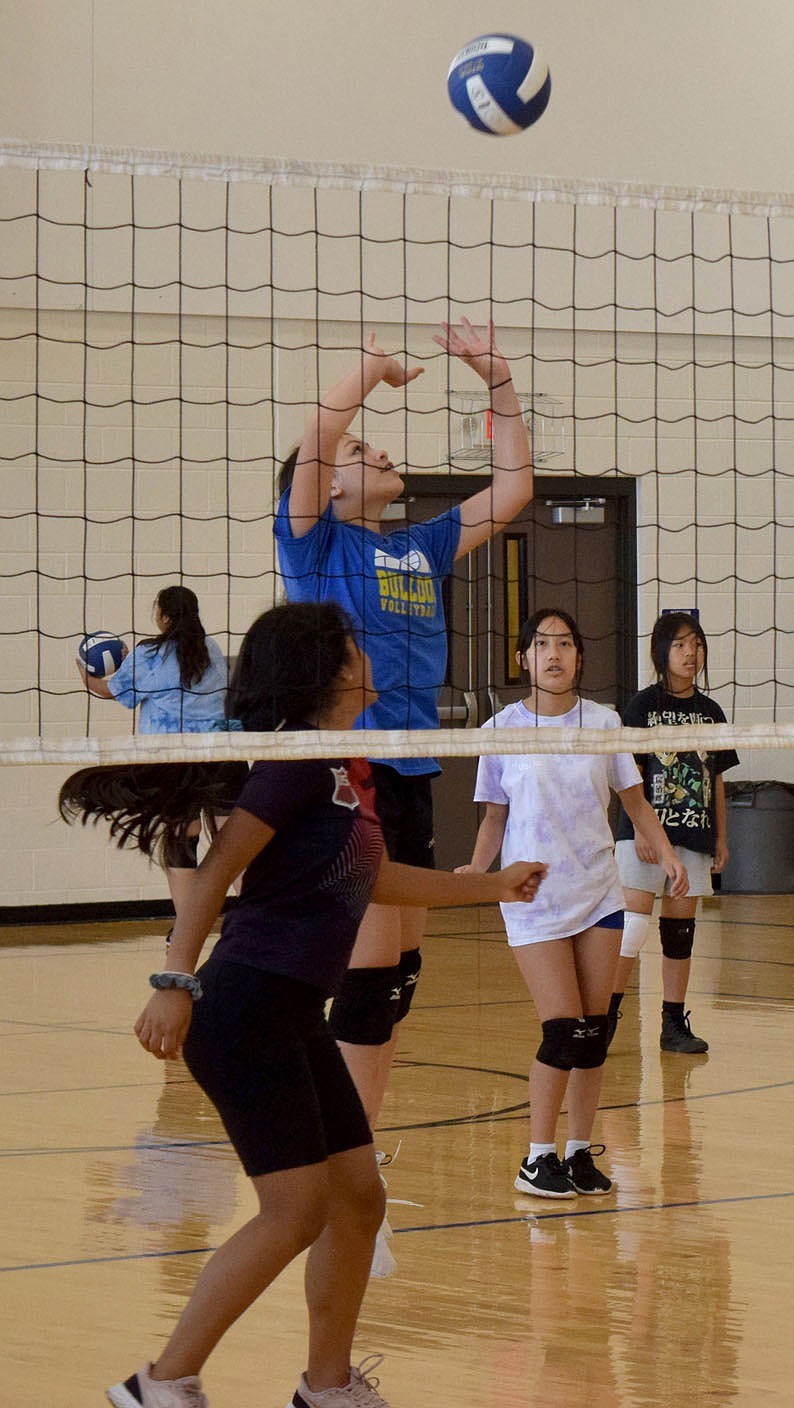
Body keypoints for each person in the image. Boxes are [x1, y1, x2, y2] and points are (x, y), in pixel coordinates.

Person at [100, 601, 546, 1408]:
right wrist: (174, 977)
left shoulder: (342, 769)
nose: (367, 655)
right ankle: (159, 1384)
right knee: (296, 1208)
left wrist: (489, 886)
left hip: (293, 1012)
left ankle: (327, 1387)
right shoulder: (296, 764)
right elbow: (216, 869)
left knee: (357, 1198)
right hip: (244, 1009)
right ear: (329, 669)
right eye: (355, 645)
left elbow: (370, 879)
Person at [274, 320, 534, 1136]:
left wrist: (499, 382)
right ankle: (342, 1154)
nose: (379, 455)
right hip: (354, 770)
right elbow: (320, 433)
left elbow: (515, 490)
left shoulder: (420, 547)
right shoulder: (313, 545)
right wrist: (372, 371)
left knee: (401, 976)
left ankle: (355, 1142)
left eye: (374, 449)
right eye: (363, 455)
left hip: (417, 767)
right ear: (328, 488)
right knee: (371, 974)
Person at [458, 608, 688, 1199]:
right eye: (542, 644)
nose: (554, 654)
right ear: (524, 659)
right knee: (562, 1031)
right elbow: (493, 819)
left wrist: (667, 855)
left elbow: (636, 805)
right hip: (533, 897)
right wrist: (476, 875)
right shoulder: (500, 729)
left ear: (579, 657)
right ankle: (537, 1159)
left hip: (598, 894)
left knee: (593, 1033)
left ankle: (580, 1153)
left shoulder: (605, 723)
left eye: (565, 643)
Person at [609, 611, 739, 1054]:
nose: (691, 653)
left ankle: (672, 1023)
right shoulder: (642, 707)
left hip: (695, 836)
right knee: (630, 928)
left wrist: (721, 838)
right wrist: (642, 831)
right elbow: (631, 776)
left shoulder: (711, 712)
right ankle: (605, 1015)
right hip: (644, 835)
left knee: (680, 933)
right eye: (681, 645)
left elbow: (717, 778)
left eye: (697, 644)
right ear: (662, 652)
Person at [75, 584, 247, 920]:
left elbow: (108, 691)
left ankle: (187, 926)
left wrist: (82, 668)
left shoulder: (148, 655)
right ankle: (254, 924)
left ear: (163, 616)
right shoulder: (210, 648)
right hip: (224, 757)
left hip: (175, 762)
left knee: (182, 842)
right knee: (233, 845)